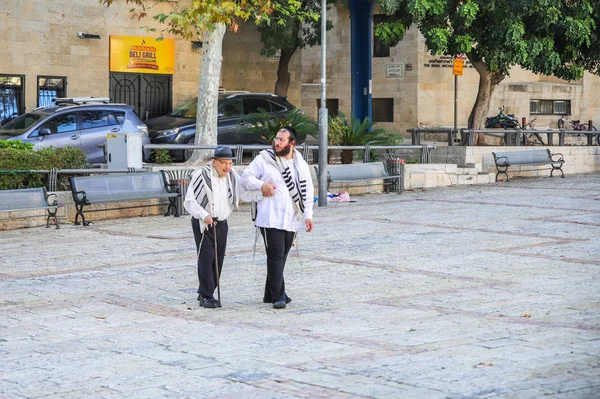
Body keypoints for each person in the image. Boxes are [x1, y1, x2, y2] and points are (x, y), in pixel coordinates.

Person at [241, 127, 314, 309]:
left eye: (282, 140)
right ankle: (278, 297)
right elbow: (245, 178)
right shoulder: (264, 159)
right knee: (275, 256)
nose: (277, 143)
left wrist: (308, 216)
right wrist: (262, 184)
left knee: (282, 256)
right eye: (276, 139)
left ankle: (269, 292)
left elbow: (308, 192)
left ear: (292, 143)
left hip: (291, 219)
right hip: (269, 217)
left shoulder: (301, 165)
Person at [184, 146, 262, 309]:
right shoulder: (201, 175)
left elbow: (244, 194)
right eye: (224, 163)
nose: (227, 167)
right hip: (204, 223)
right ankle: (206, 296)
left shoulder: (232, 177)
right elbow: (190, 201)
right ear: (214, 162)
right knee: (206, 258)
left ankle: (206, 290)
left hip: (222, 224)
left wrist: (262, 193)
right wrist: (203, 214)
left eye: (230, 163)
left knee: (218, 259)